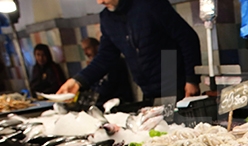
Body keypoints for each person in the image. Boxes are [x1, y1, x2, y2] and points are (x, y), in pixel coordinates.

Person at [57, 0, 202, 102]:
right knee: (157, 132)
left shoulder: (150, 4)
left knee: (175, 130)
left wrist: (192, 79)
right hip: (148, 91)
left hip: (173, 85)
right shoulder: (107, 18)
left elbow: (187, 38)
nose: (99, 2)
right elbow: (105, 57)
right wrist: (78, 81)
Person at [80, 37, 134, 106]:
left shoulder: (114, 62)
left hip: (119, 102)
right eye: (84, 50)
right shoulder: (95, 66)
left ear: (97, 47)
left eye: (88, 48)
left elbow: (107, 89)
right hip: (104, 102)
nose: (85, 53)